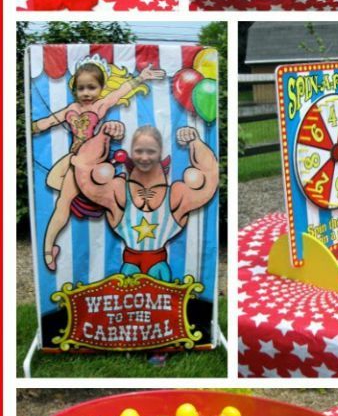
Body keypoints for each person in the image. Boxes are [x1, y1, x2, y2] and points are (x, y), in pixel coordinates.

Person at [32, 57, 165, 270]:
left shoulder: (100, 106)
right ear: (74, 89)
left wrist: (141, 77)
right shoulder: (70, 109)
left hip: (95, 160)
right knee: (62, 203)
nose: (86, 93)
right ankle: (49, 249)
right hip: (76, 161)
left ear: (100, 88)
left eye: (91, 88)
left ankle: (132, 244)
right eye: (81, 88)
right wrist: (27, 126)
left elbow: (120, 92)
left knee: (114, 201)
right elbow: (47, 122)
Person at [72, 122, 219, 282]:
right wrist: (103, 136)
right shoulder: (117, 190)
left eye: (151, 151)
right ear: (131, 152)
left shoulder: (176, 195)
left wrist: (195, 142)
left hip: (159, 271)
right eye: (139, 151)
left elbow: (210, 176)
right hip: (129, 270)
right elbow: (83, 168)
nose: (144, 157)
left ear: (160, 153)